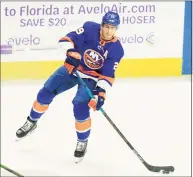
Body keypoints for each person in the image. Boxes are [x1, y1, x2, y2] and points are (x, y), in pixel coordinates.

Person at [16, 11, 124, 163]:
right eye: (106, 26)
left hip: (91, 78)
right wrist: (71, 52)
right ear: (101, 25)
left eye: (112, 28)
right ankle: (31, 121)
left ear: (116, 29)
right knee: (45, 93)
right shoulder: (89, 28)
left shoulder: (117, 49)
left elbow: (107, 73)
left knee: (80, 107)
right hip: (72, 68)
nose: (108, 31)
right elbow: (67, 39)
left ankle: (82, 141)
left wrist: (101, 93)